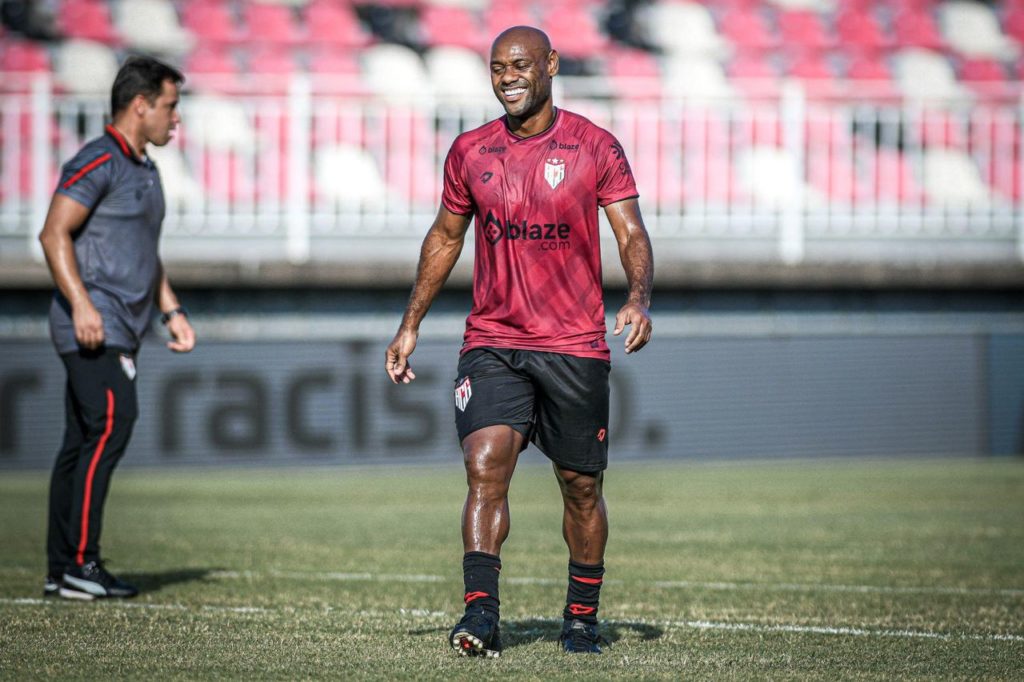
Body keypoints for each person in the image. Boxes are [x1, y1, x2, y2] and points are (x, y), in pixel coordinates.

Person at [384, 26, 653, 656]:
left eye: (520, 64)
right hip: (493, 340)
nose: (507, 76)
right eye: (497, 66)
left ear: (552, 66)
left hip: (574, 345)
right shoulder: (470, 151)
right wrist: (410, 323)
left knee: (580, 487)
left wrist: (638, 296)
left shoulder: (595, 147)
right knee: (484, 470)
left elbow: (631, 233)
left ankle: (581, 618)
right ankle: (480, 616)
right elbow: (445, 238)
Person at [38, 56, 196, 600]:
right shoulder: (96, 160)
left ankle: (63, 569)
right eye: (171, 107)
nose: (175, 119)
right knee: (112, 420)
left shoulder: (145, 169)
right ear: (140, 104)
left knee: (81, 439)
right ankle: (81, 563)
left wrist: (170, 310)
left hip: (124, 327)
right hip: (92, 325)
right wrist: (82, 305)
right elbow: (53, 233)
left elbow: (145, 255)